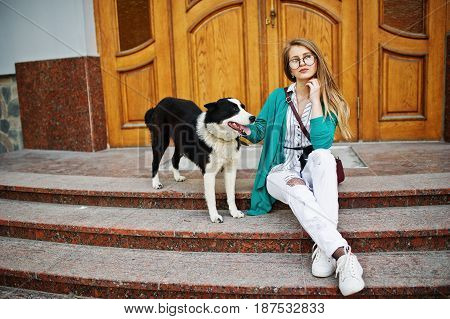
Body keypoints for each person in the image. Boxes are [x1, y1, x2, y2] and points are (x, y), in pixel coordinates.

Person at [237, 38, 365, 296]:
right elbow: (260, 130)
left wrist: (316, 97)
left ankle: (324, 248)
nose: (302, 63)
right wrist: (244, 130)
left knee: (324, 157)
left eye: (307, 57)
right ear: (290, 68)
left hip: (313, 167)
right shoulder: (278, 97)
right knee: (296, 187)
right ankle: (342, 254)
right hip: (280, 169)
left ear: (316, 61)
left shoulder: (330, 100)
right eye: (295, 60)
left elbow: (321, 142)